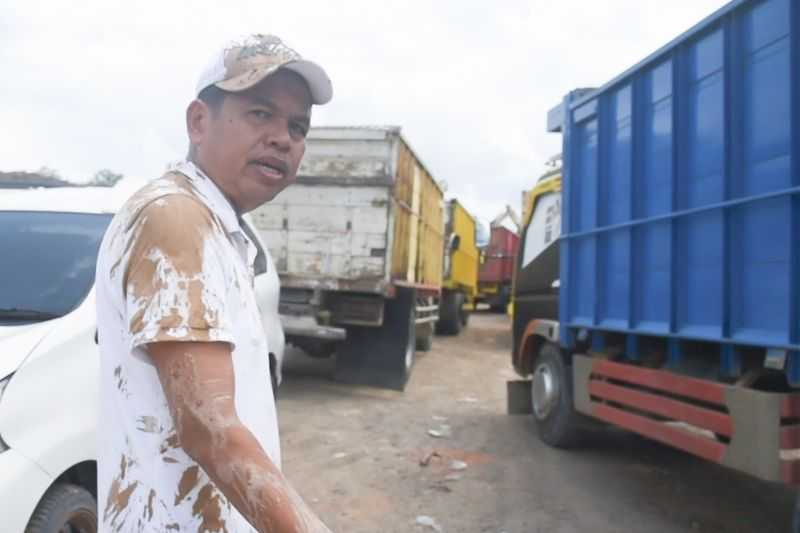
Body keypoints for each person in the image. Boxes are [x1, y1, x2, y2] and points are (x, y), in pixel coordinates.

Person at [95, 34, 333, 532]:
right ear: (199, 121)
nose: (283, 138)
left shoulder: (218, 225)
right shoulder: (175, 216)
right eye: (260, 114)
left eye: (297, 126)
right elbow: (210, 427)